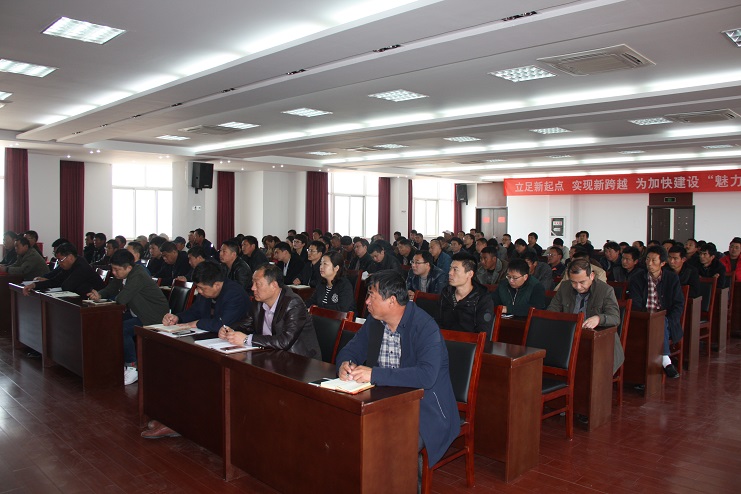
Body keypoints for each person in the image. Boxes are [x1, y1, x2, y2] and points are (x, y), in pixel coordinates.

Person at [335, 270, 460, 468]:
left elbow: (426, 376)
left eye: (372, 296)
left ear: (391, 301)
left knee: (393, 444)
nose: (366, 302)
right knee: (344, 429)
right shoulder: (375, 321)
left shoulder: (425, 327)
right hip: (383, 400)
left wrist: (374, 374)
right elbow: (350, 350)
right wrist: (345, 363)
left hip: (424, 407)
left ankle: (405, 480)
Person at [88, 250, 169, 386]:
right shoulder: (125, 273)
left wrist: (111, 298)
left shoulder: (138, 275)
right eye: (112, 269)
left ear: (129, 268)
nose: (114, 273)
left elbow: (122, 298)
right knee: (107, 323)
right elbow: (112, 287)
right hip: (137, 312)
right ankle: (113, 361)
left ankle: (132, 367)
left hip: (152, 316)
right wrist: (100, 295)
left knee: (121, 329)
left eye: (117, 270)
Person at [219, 263, 321, 357]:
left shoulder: (293, 303)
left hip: (299, 359)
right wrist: (229, 330)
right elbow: (247, 324)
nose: (253, 288)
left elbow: (285, 341)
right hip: (271, 354)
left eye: (257, 284)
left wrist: (247, 339)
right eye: (253, 283)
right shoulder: (259, 301)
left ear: (274, 285)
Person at [548, 259, 624, 374]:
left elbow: (615, 318)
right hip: (569, 338)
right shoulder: (564, 287)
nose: (578, 287)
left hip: (599, 342)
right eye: (574, 282)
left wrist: (598, 319)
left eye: (582, 282)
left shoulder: (605, 290)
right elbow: (551, 311)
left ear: (592, 276)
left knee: (592, 369)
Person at [629, 246, 684, 379]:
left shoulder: (671, 278)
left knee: (661, 321)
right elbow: (635, 304)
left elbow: (678, 304)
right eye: (647, 259)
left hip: (666, 321)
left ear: (663, 263)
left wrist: (670, 321)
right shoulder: (637, 278)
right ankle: (666, 361)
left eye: (654, 260)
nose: (649, 263)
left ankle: (661, 364)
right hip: (643, 319)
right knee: (656, 322)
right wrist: (648, 317)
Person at [162, 260, 250, 333]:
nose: (199, 291)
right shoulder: (205, 293)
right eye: (197, 287)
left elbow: (223, 324)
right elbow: (194, 312)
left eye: (201, 288)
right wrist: (177, 318)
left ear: (216, 285)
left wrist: (197, 323)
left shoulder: (235, 295)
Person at [439, 253, 495, 338]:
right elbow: (438, 321)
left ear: (470, 274)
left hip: (469, 344)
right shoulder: (446, 293)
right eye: (450, 268)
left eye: (455, 270)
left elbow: (483, 333)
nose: (450, 273)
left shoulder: (482, 298)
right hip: (444, 341)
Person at [23, 243, 104, 297]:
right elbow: (55, 281)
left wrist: (62, 282)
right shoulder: (70, 265)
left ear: (70, 257)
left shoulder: (81, 266)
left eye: (60, 260)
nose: (59, 263)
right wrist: (34, 285)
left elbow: (67, 286)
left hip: (96, 300)